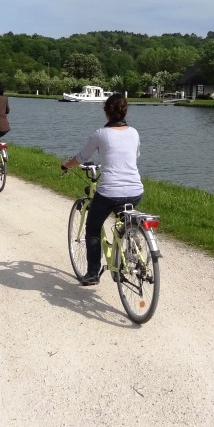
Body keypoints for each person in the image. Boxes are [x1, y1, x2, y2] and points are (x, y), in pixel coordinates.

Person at [61, 93, 143, 286]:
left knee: (93, 228)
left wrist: (66, 164)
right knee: (123, 218)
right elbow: (134, 155)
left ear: (107, 113)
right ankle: (131, 240)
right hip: (136, 190)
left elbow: (81, 157)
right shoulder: (134, 132)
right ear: (125, 111)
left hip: (109, 192)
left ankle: (92, 273)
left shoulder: (100, 134)